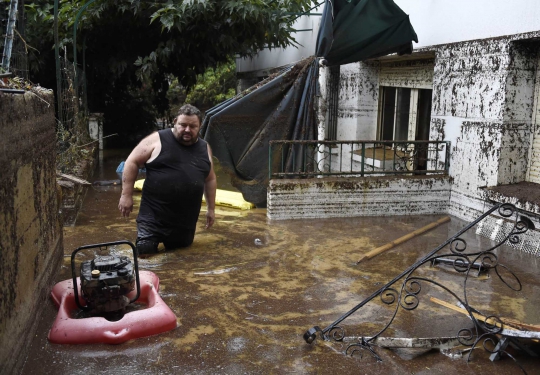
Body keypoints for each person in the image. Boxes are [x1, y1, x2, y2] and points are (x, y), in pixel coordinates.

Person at [118, 104, 217, 255]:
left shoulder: (205, 148)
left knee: (181, 256)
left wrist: (211, 209)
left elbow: (210, 179)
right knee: (144, 252)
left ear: (200, 126)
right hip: (153, 217)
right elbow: (132, 161)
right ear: (175, 121)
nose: (187, 130)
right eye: (183, 125)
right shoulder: (157, 139)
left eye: (193, 126)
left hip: (185, 221)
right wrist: (126, 195)